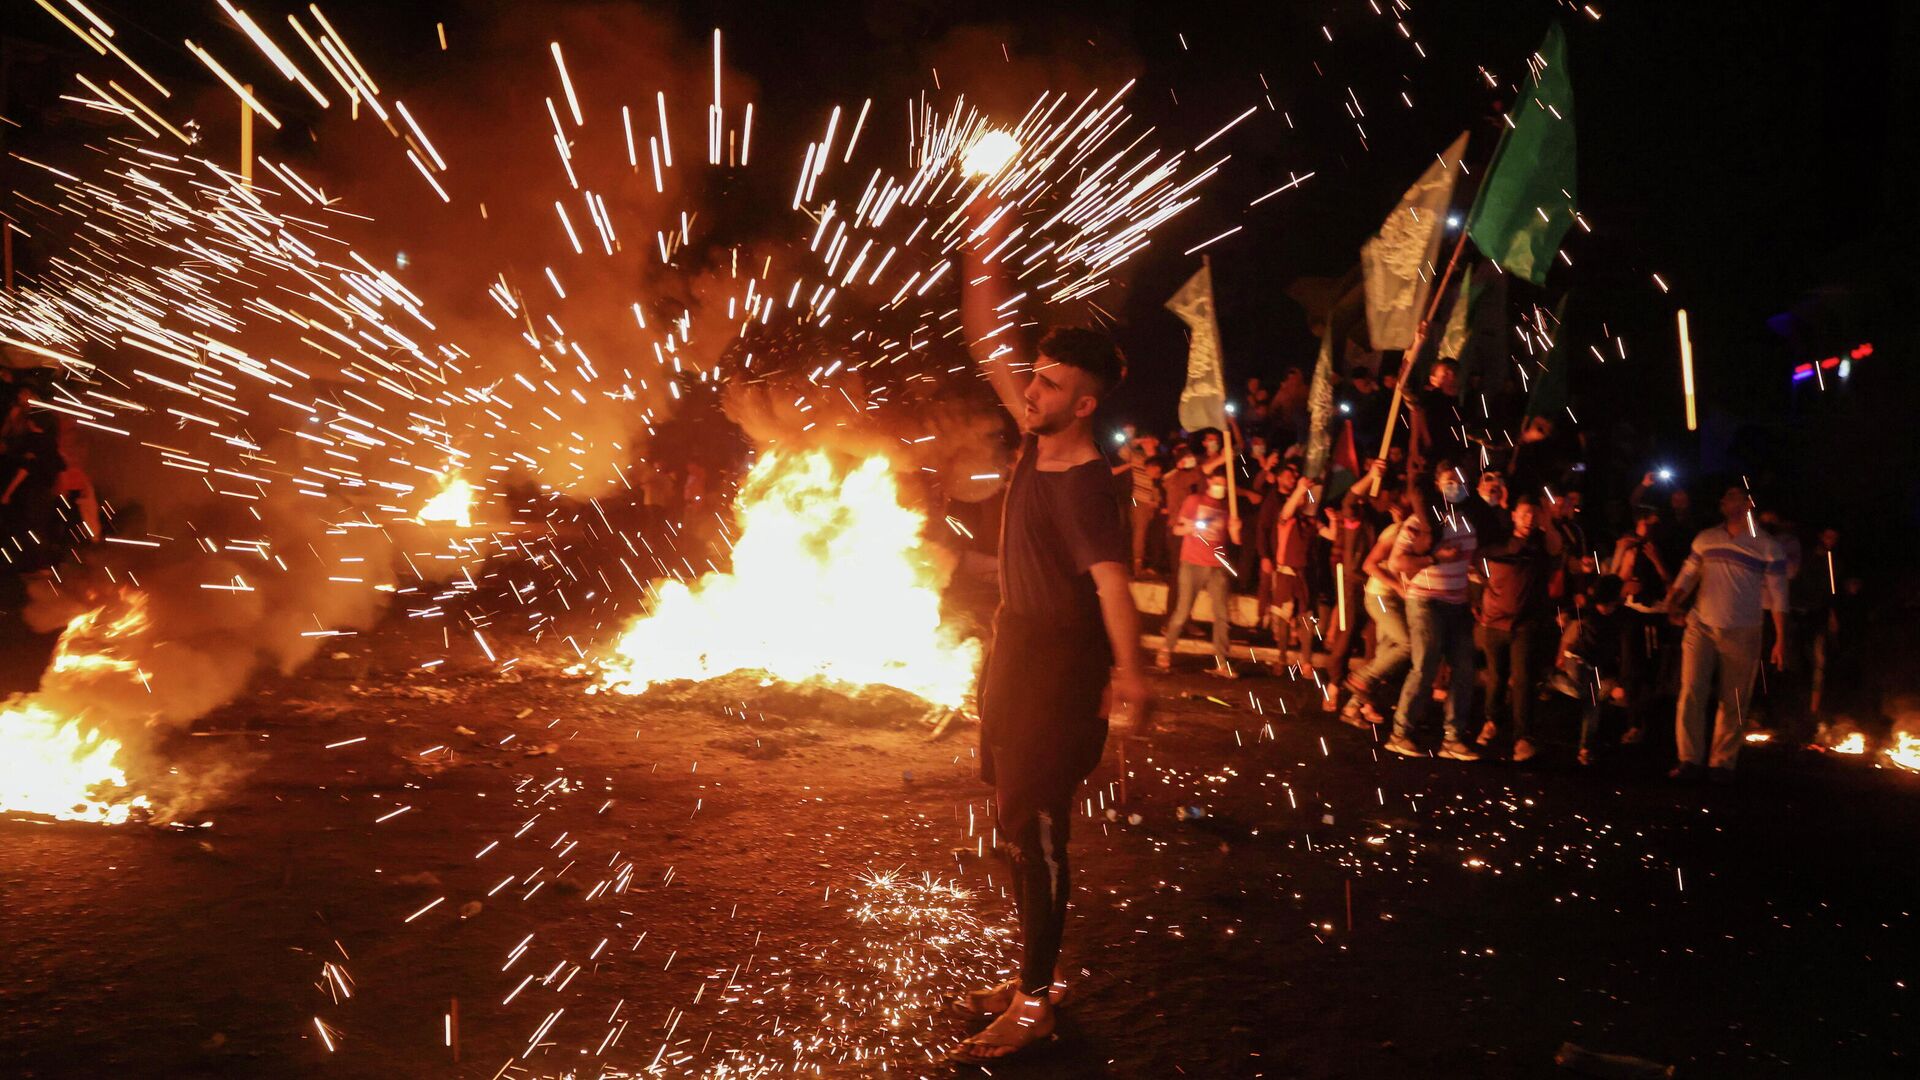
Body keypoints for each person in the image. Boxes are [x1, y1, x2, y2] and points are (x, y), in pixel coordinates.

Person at [954, 208, 1147, 1063]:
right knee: (1005, 816)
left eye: (1049, 384)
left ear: (1086, 402)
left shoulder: (1086, 485)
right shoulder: (1037, 441)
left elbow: (1113, 586)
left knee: (1034, 829)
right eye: (1034, 379)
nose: (1029, 392)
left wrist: (1134, 677)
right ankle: (1033, 973)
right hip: (1013, 652)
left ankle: (1033, 1003)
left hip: (1061, 671)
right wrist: (984, 243)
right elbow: (986, 337)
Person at [1661, 486, 1790, 783]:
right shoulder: (1707, 538)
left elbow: (1779, 597)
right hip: (1701, 626)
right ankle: (1689, 760)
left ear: (1748, 504)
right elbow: (1687, 576)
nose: (1722, 500)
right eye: (1724, 496)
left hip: (1743, 630)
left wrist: (1781, 639)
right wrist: (1673, 603)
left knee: (1734, 699)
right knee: (1691, 691)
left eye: (1730, 496)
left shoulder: (1768, 547)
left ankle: (1722, 763)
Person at [1384, 460, 1487, 761]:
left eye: (1460, 480)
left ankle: (1453, 739)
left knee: (1464, 669)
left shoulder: (1469, 521)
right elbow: (1396, 563)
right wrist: (1434, 559)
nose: (1456, 486)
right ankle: (1400, 733)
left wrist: (1480, 581)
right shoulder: (1420, 522)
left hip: (1457, 603)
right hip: (1426, 601)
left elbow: (1473, 558)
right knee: (1426, 665)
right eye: (1449, 481)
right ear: (1437, 486)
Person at [1474, 494, 1565, 762]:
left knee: (1523, 679)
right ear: (1513, 514)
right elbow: (1479, 565)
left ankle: (1523, 738)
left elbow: (1556, 548)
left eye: (1533, 514)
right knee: (1497, 676)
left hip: (1525, 624)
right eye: (1524, 513)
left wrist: (1548, 523)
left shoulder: (1540, 543)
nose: (1529, 519)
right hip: (1494, 623)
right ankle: (1492, 720)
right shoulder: (1498, 541)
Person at [1158, 472, 1243, 676]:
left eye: (1223, 482)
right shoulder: (1194, 500)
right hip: (1192, 564)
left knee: (1222, 615)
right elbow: (1177, 529)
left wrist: (1236, 529)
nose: (1220, 485)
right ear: (1209, 482)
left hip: (1217, 567)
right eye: (1217, 481)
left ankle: (1221, 663)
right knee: (1183, 610)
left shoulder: (1226, 508)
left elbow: (1236, 541)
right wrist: (1189, 527)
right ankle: (1166, 649)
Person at [1550, 575, 1629, 766]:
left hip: (1594, 665)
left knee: (1592, 699)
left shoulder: (1619, 617)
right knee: (1585, 692)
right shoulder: (1588, 613)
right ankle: (1551, 679)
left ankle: (1585, 747)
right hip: (1576, 659)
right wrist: (1564, 616)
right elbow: (1568, 615)